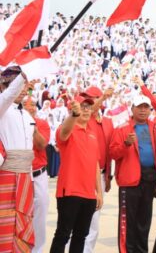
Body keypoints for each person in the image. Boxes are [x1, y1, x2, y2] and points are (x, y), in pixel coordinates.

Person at [49, 95, 103, 253]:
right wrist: (74, 115)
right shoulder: (67, 128)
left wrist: (98, 192)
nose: (86, 110)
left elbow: (95, 164)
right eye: (82, 106)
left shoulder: (93, 134)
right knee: (63, 235)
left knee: (81, 236)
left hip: (89, 194)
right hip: (70, 191)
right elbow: (63, 133)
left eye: (88, 107)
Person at [109, 95, 156, 253]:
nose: (143, 110)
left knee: (144, 221)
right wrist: (126, 144)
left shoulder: (154, 126)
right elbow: (113, 153)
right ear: (132, 109)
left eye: (146, 107)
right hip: (130, 180)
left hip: (149, 178)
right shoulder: (122, 128)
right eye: (140, 107)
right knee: (128, 222)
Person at [0, 68, 36, 251]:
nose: (23, 89)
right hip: (5, 175)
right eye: (19, 86)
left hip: (25, 177)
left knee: (24, 221)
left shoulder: (28, 115)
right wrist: (22, 76)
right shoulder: (2, 108)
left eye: (25, 87)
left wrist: (30, 180)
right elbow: (7, 97)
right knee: (4, 223)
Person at [81, 86, 114, 253]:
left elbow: (109, 150)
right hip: (81, 175)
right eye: (86, 99)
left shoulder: (107, 122)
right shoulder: (82, 118)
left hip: (99, 176)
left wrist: (109, 176)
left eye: (92, 98)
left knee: (94, 221)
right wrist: (102, 98)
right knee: (78, 220)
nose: (88, 103)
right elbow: (87, 110)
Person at [32, 113, 51, 253]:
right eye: (26, 104)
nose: (30, 107)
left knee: (40, 216)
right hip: (19, 174)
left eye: (33, 104)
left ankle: (37, 250)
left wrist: (33, 127)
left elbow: (42, 144)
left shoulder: (42, 123)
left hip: (39, 174)